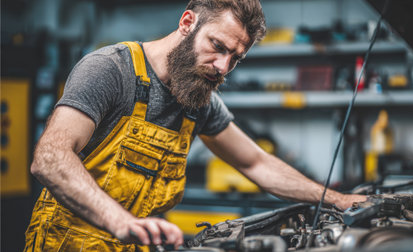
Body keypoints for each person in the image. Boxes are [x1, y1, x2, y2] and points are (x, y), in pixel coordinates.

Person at [24, 0, 367, 251]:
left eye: (235, 58)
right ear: (187, 22)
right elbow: (50, 158)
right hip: (66, 242)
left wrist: (338, 200)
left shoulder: (198, 100)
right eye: (217, 46)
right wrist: (121, 222)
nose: (222, 66)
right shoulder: (111, 71)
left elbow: (256, 163)